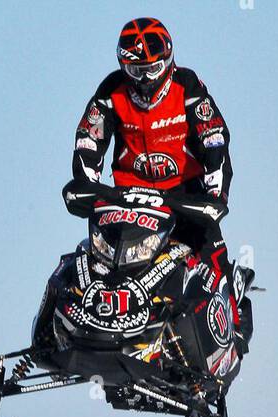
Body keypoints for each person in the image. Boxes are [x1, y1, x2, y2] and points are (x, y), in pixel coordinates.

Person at [63, 17, 238, 319]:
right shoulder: (110, 91)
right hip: (127, 196)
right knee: (96, 258)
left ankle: (232, 319)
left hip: (184, 194)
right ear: (123, 67)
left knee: (211, 251)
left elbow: (214, 139)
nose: (144, 80)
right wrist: (86, 184)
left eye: (151, 70)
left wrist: (215, 195)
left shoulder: (188, 86)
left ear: (168, 60)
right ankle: (74, 318)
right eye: (136, 71)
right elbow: (89, 140)